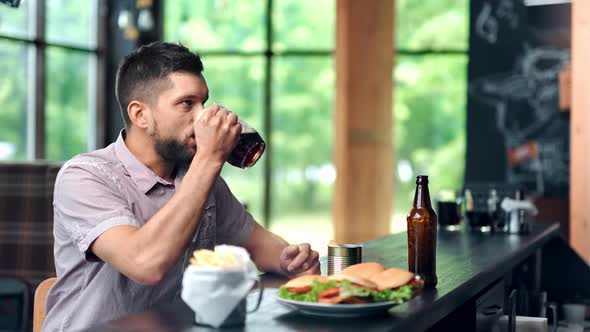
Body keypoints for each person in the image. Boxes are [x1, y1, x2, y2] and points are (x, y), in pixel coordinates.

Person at [42, 41, 320, 332]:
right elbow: (145, 264)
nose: (203, 117)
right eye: (187, 103)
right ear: (140, 115)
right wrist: (210, 158)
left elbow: (261, 245)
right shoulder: (84, 177)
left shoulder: (198, 180)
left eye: (204, 102)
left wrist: (289, 260)